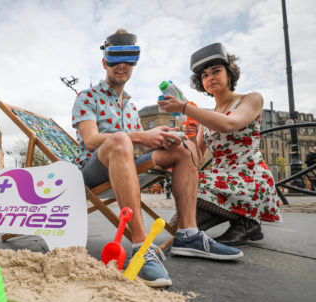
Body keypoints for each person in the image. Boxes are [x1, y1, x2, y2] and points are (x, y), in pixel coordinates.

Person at [72, 31, 242, 288]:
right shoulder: (87, 97)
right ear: (104, 62)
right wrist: (141, 135)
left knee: (184, 146)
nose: (122, 65)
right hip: (92, 170)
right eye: (115, 58)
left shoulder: (129, 105)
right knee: (119, 139)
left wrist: (164, 136)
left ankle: (188, 234)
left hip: (125, 164)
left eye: (129, 59)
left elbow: (137, 148)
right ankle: (141, 246)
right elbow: (91, 140)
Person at [158, 42, 282, 246]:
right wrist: (189, 137)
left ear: (229, 74)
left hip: (249, 178)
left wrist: (184, 107)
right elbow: (196, 156)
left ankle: (246, 221)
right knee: (176, 226)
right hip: (219, 181)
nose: (210, 77)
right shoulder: (208, 116)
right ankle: (238, 215)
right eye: (204, 75)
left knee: (189, 186)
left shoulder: (251, 99)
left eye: (216, 71)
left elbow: (230, 124)